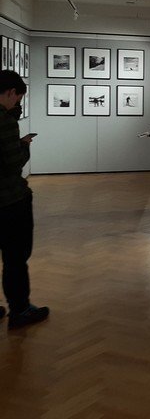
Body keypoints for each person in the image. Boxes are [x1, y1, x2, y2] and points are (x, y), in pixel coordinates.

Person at [0, 70, 49, 329]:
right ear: (10, 92)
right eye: (17, 99)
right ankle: (19, 310)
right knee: (15, 258)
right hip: (10, 201)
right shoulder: (5, 122)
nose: (16, 104)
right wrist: (24, 146)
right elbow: (13, 163)